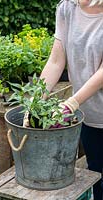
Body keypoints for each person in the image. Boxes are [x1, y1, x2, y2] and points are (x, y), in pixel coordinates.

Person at [24, 0, 103, 199]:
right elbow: (56, 60)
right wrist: (35, 101)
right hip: (90, 114)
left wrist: (70, 104)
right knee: (97, 178)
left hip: (87, 106)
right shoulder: (68, 7)